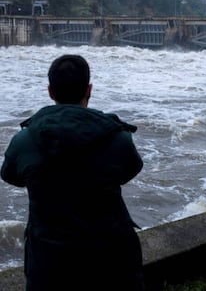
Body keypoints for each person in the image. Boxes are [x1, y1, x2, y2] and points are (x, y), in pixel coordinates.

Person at [1, 55, 145, 291]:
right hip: (110, 260)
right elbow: (131, 169)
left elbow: (10, 175)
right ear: (89, 90)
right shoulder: (118, 138)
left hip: (48, 262)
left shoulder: (24, 141)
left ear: (50, 91)